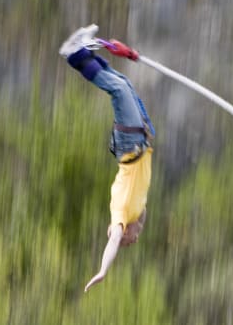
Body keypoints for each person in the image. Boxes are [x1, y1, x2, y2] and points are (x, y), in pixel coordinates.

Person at [59, 25, 156, 292]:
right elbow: (144, 215)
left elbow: (113, 240)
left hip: (129, 146)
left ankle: (74, 55)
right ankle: (85, 52)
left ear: (122, 232)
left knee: (119, 91)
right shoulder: (137, 210)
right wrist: (129, 53)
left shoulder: (121, 214)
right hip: (138, 141)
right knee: (124, 84)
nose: (135, 239)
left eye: (129, 240)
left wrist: (103, 269)